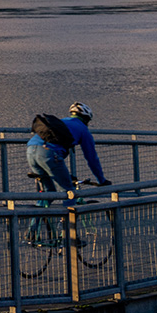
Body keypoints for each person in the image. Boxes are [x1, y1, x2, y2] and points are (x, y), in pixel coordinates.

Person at [26, 102, 109, 241]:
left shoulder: (62, 122)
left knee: (48, 193)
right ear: (87, 119)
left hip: (30, 151)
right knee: (69, 193)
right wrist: (102, 180)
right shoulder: (83, 129)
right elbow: (91, 158)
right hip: (49, 154)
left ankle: (32, 233)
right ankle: (69, 236)